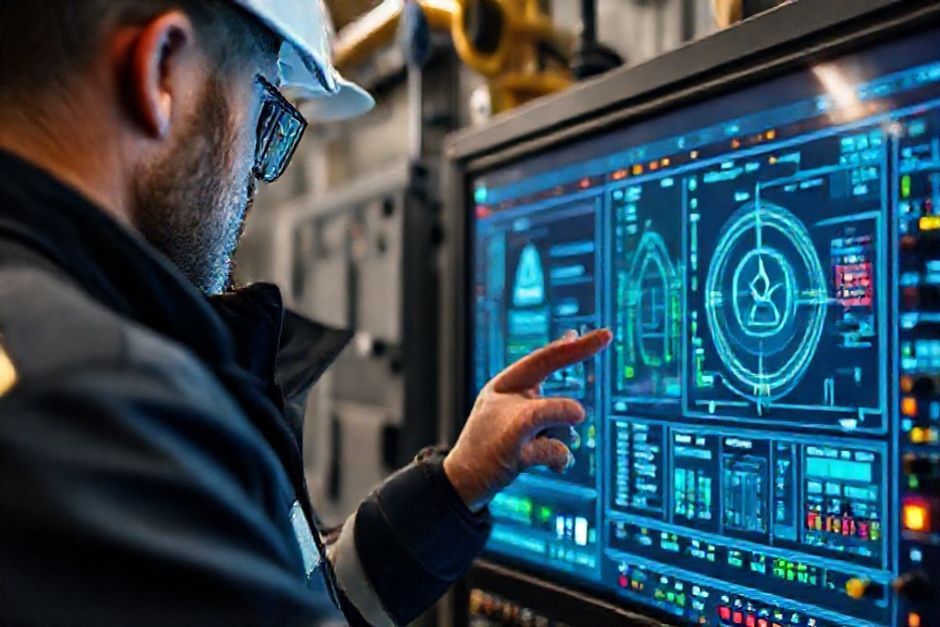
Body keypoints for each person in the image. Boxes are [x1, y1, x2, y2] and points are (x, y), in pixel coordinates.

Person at [0, 1, 612, 626]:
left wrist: (453, 487)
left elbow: (282, 594)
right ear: (161, 70)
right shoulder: (97, 414)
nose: (255, 177)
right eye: (266, 112)